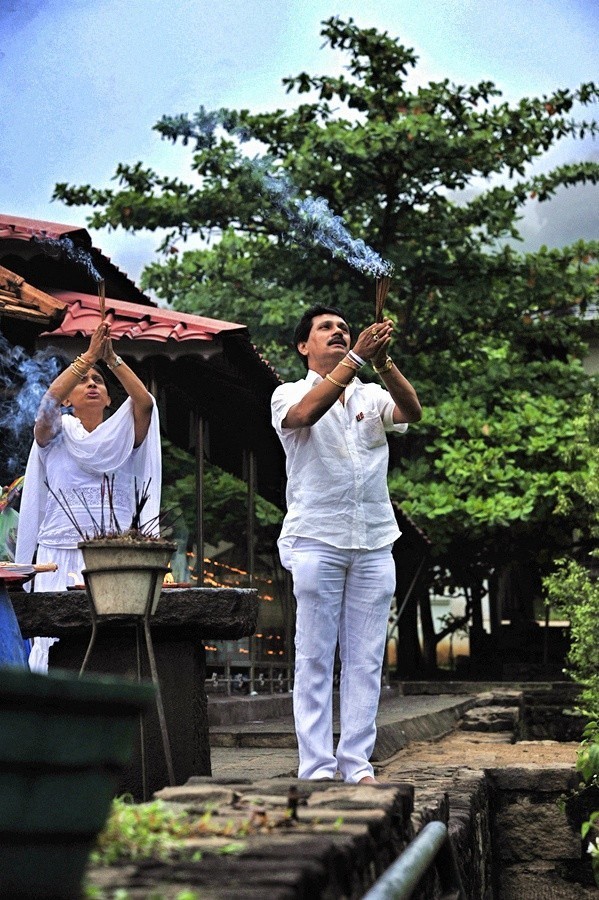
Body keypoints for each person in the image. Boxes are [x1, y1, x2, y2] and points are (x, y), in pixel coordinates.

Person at [271, 304, 422, 784]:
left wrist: (384, 364)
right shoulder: (287, 393)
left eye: (344, 329)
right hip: (317, 537)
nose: (338, 332)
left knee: (367, 657)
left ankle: (356, 763)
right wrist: (355, 357)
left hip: (376, 539)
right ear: (303, 345)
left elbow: (412, 412)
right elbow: (304, 416)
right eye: (326, 329)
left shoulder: (372, 394)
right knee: (314, 655)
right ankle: (316, 765)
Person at [16, 321, 162, 672]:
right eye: (84, 381)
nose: (92, 384)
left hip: (112, 558)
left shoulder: (123, 437)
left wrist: (111, 359)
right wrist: (86, 359)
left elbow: (144, 403)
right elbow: (48, 403)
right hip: (57, 556)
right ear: (70, 399)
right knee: (52, 649)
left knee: (111, 648)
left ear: (111, 398)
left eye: (98, 381)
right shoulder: (56, 434)